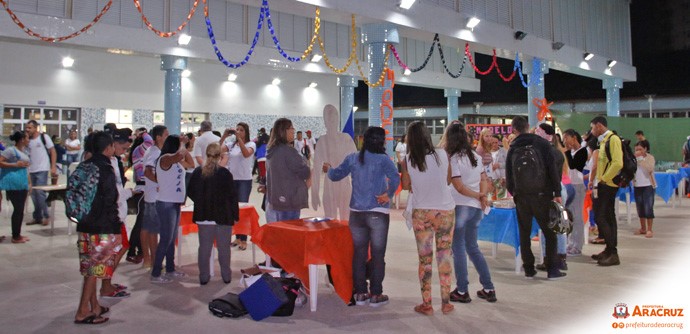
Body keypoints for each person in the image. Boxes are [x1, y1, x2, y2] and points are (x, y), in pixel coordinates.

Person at [323, 126, 400, 307]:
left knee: (358, 254)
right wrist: (387, 195)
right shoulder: (383, 159)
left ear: (363, 140)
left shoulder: (353, 158)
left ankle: (360, 293)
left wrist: (328, 168)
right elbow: (395, 178)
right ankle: (376, 294)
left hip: (356, 214)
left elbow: (335, 175)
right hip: (378, 213)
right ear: (381, 141)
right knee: (377, 254)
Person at [401, 121, 456, 315]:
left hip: (422, 213)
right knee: (444, 256)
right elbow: (448, 180)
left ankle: (427, 305)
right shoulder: (442, 154)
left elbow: (406, 186)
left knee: (425, 260)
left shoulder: (408, 159)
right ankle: (446, 303)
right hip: (445, 212)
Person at [442, 123, 496, 304]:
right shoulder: (474, 156)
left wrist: (478, 195)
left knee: (458, 250)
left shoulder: (455, 159)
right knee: (473, 248)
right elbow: (484, 179)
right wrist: (481, 197)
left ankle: (462, 290)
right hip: (475, 209)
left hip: (461, 206)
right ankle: (488, 288)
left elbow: (459, 187)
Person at [505, 116, 565, 279]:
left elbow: (509, 175)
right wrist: (557, 193)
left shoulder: (513, 147)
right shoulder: (543, 144)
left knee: (524, 233)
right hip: (542, 195)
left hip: (522, 197)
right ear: (528, 126)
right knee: (549, 232)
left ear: (514, 130)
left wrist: (515, 193)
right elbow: (552, 170)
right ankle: (552, 269)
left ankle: (529, 268)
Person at [73, 131, 120, 325]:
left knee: (89, 270)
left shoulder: (84, 166)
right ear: (108, 147)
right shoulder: (105, 168)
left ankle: (95, 307)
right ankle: (83, 312)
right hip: (101, 227)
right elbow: (111, 199)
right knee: (95, 270)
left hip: (84, 224)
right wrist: (116, 227)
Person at [188, 143, 239, 285]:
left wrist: (201, 202)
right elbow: (232, 196)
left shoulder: (198, 172)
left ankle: (203, 276)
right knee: (224, 248)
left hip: (204, 215)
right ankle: (226, 275)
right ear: (220, 156)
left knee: (204, 248)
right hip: (223, 216)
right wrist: (235, 215)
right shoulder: (225, 173)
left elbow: (191, 191)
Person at [150, 135, 194, 283]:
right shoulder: (165, 159)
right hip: (166, 204)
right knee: (166, 238)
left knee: (171, 238)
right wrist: (183, 143)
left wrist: (185, 147)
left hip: (175, 203)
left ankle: (170, 268)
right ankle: (156, 273)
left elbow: (191, 163)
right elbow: (179, 155)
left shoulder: (177, 160)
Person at [311, 104, 358, 220]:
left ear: (337, 119)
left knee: (345, 221)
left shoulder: (346, 138)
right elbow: (316, 169)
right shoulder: (322, 141)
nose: (332, 121)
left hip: (344, 184)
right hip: (329, 184)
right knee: (329, 221)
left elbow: (356, 165)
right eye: (329, 118)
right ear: (325, 121)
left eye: (334, 117)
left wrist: (358, 190)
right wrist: (314, 193)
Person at [589, 116, 623, 266]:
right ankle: (609, 249)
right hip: (603, 184)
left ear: (599, 126)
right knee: (607, 216)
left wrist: (604, 178)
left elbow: (618, 163)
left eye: (592, 127)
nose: (592, 131)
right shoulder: (604, 141)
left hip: (608, 185)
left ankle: (613, 252)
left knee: (601, 216)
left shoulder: (612, 139)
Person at [266, 118, 311, 221]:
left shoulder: (271, 150)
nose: (293, 131)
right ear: (283, 131)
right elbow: (305, 172)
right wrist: (305, 162)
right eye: (291, 128)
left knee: (279, 233)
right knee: (288, 234)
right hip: (289, 201)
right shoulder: (288, 151)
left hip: (276, 200)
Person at [219, 122, 255, 251]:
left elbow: (246, 154)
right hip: (232, 180)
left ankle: (244, 239)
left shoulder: (251, 144)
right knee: (233, 210)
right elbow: (216, 150)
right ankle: (237, 237)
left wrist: (239, 140)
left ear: (246, 132)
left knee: (243, 210)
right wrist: (224, 136)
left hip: (244, 181)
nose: (238, 132)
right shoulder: (231, 145)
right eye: (237, 130)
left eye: (241, 130)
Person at [141, 125, 168, 269]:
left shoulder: (152, 151)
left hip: (150, 195)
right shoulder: (155, 152)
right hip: (154, 197)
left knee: (146, 228)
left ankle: (147, 259)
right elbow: (147, 171)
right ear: (158, 137)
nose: (167, 137)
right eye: (166, 135)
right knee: (153, 230)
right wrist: (161, 182)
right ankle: (154, 260)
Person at [0, 131, 31, 243]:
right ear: (22, 139)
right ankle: (15, 236)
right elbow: (0, 162)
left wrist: (29, 183)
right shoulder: (10, 151)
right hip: (13, 184)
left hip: (22, 183)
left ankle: (17, 234)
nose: (29, 140)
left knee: (20, 210)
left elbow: (26, 169)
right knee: (18, 209)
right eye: (27, 138)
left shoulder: (24, 151)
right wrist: (14, 165)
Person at [126, 130, 152, 264]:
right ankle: (131, 251)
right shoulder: (139, 150)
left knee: (142, 224)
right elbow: (149, 141)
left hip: (144, 190)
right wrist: (144, 133)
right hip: (142, 190)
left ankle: (139, 251)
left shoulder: (141, 152)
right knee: (140, 225)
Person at [25, 120, 57, 226]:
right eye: (26, 127)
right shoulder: (27, 140)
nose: (27, 129)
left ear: (35, 128)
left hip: (42, 169)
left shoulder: (44, 137)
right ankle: (37, 216)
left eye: (29, 128)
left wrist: (53, 167)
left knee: (40, 193)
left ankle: (46, 215)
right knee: (33, 194)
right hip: (31, 170)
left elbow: (53, 151)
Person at [563, 129, 588, 256]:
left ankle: (578, 244)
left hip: (578, 186)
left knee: (577, 216)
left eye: (566, 138)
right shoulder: (571, 152)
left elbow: (574, 166)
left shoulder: (583, 151)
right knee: (570, 216)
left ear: (574, 137)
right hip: (569, 185)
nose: (565, 141)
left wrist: (566, 151)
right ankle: (571, 242)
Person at [633, 140, 656, 238]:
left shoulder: (650, 158)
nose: (638, 151)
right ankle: (643, 228)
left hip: (648, 185)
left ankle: (649, 229)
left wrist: (641, 159)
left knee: (648, 207)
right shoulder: (633, 158)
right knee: (640, 207)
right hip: (637, 185)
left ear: (646, 149)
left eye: (640, 149)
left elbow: (650, 169)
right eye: (636, 149)